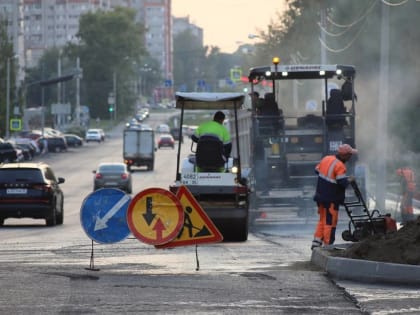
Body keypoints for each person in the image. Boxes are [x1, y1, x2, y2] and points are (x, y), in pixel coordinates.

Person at [311, 143, 358, 250]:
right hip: (331, 199)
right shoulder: (340, 166)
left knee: (322, 220)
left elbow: (317, 170)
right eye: (350, 155)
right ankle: (328, 246)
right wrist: (350, 180)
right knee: (330, 222)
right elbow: (343, 183)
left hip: (320, 196)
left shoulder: (327, 158)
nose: (351, 157)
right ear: (345, 155)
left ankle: (316, 243)